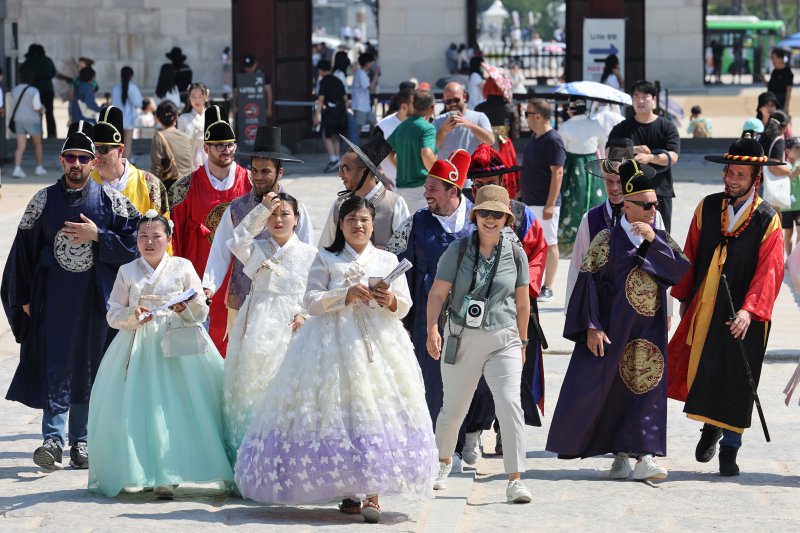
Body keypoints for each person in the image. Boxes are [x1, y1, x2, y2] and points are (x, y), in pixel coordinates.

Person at [234, 196, 438, 523]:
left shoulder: (387, 260)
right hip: (332, 345)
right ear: (340, 225)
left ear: (373, 224)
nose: (358, 225)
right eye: (351, 220)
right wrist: (345, 294)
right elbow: (311, 301)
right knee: (340, 411)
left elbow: (405, 305)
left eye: (364, 220)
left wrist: (387, 300)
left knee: (375, 409)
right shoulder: (326, 258)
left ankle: (373, 492)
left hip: (378, 346)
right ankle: (346, 488)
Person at [1, 121, 140, 471]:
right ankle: (52, 439)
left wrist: (99, 235)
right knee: (55, 363)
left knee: (88, 365)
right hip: (52, 300)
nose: (76, 163)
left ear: (94, 162)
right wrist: (24, 297)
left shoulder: (111, 201)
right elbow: (22, 252)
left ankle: (83, 440)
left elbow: (139, 242)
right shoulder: (43, 200)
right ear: (61, 162)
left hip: (94, 301)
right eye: (70, 157)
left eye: (83, 157)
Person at [546, 160, 690, 481]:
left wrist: (654, 241)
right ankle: (621, 455)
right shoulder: (606, 239)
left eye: (656, 204)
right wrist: (592, 326)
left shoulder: (658, 235)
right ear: (627, 205)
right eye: (646, 205)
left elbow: (680, 270)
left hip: (649, 331)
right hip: (614, 328)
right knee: (613, 391)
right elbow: (588, 286)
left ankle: (647, 456)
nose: (653, 209)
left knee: (648, 388)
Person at [87, 210, 233, 499]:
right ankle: (145, 470)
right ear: (136, 240)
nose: (149, 242)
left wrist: (186, 308)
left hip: (179, 345)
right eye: (143, 236)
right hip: (139, 345)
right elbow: (112, 313)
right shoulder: (127, 271)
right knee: (139, 409)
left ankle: (171, 473)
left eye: (156, 236)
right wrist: (132, 313)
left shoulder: (182, 266)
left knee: (178, 408)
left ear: (168, 239)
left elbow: (201, 308)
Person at [667, 136, 785, 477]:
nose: (732, 180)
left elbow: (770, 271)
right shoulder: (707, 206)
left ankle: (731, 446)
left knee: (738, 379)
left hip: (746, 314)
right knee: (706, 368)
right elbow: (689, 255)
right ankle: (709, 428)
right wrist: (684, 299)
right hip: (707, 306)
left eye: (740, 175)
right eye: (730, 173)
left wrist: (750, 310)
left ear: (755, 178)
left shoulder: (767, 219)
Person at [425, 184, 533, 503]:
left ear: (506, 219)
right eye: (484, 212)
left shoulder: (515, 252)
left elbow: (524, 303)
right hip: (461, 336)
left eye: (497, 214)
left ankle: (515, 479)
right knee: (454, 410)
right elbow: (436, 294)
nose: (490, 219)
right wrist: (433, 328)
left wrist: (524, 341)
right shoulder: (458, 250)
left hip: (505, 339)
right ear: (475, 216)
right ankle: (443, 462)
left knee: (510, 405)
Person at [387, 150, 480, 469]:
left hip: (471, 314)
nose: (425, 194)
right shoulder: (417, 222)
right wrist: (386, 288)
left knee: (469, 379)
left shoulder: (476, 219)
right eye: (425, 188)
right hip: (429, 313)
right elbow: (401, 265)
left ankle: (468, 436)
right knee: (433, 379)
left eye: (432, 189)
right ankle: (440, 449)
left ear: (453, 191)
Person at [222, 192, 317, 465]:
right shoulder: (258, 249)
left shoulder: (310, 255)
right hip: (256, 323)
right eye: (273, 215)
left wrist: (305, 315)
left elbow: (316, 293)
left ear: (297, 219)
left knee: (287, 391)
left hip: (293, 327)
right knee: (251, 389)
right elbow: (237, 239)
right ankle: (249, 459)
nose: (278, 220)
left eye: (285, 214)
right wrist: (262, 209)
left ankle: (286, 460)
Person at [467, 144, 547, 457]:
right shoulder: (462, 214)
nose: (485, 189)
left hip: (517, 305)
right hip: (472, 309)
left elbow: (538, 252)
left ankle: (504, 432)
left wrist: (525, 289)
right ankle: (470, 433)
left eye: (491, 182)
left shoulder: (523, 214)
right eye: (478, 183)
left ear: (503, 181)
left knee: (514, 373)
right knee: (475, 375)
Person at [202, 126, 313, 346]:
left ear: (279, 172)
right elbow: (221, 251)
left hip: (283, 301)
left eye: (265, 171)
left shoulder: (295, 208)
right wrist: (209, 285)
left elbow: (306, 253)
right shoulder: (236, 208)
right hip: (241, 296)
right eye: (254, 170)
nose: (258, 177)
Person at [170, 105, 252, 354]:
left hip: (241, 276)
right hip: (200, 277)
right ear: (206, 148)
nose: (225, 150)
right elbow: (175, 240)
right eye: (218, 145)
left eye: (229, 144)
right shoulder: (185, 188)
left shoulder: (249, 182)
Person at [564, 138, 667, 308]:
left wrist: (667, 309)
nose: (614, 187)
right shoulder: (590, 218)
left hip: (642, 306)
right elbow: (578, 265)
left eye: (620, 182)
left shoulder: (653, 216)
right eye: (609, 181)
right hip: (602, 305)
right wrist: (572, 307)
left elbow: (664, 260)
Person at [609, 80, 680, 232]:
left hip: (660, 191)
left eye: (645, 96)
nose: (640, 101)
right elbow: (610, 152)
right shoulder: (622, 128)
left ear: (653, 99)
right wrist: (632, 149)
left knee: (660, 237)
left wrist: (650, 158)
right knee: (628, 235)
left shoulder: (667, 126)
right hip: (629, 193)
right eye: (636, 96)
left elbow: (673, 157)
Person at [319, 131, 409, 249]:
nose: (340, 174)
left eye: (345, 168)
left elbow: (406, 248)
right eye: (340, 168)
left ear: (364, 170)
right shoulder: (340, 204)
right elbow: (324, 249)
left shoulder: (394, 203)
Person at [519, 98, 565, 302]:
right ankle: (532, 282)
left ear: (537, 115)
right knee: (531, 243)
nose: (525, 118)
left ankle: (548, 286)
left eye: (527, 114)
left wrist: (550, 204)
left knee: (550, 243)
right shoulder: (536, 137)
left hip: (545, 203)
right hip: (531, 201)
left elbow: (558, 173)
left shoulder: (553, 140)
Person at [90, 106, 169, 220]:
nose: (97, 154)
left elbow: (164, 232)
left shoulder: (150, 185)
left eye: (103, 149)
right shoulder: (85, 183)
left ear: (121, 150)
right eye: (94, 148)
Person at [556, 98, 608, 255]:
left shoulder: (565, 126)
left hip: (572, 165)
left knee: (572, 200)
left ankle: (571, 240)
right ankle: (596, 238)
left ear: (570, 109)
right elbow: (603, 148)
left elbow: (561, 149)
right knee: (594, 199)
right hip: (592, 162)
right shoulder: (596, 124)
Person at [387, 89, 438, 212]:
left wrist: (399, 165)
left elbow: (388, 150)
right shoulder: (427, 128)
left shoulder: (401, 126)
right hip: (420, 190)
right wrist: (438, 175)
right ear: (432, 108)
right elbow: (426, 153)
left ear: (413, 105)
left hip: (400, 190)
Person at [475, 66, 521, 200]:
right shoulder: (511, 108)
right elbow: (515, 135)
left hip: (485, 149)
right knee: (505, 180)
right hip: (504, 147)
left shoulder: (480, 108)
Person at [433, 82, 495, 160]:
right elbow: (432, 148)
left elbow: (491, 141)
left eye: (456, 100)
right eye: (448, 101)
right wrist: (443, 131)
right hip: (448, 171)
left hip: (473, 169)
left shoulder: (479, 117)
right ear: (444, 100)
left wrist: (469, 125)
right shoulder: (438, 120)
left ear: (464, 97)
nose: (453, 104)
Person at [10, 66, 47, 178]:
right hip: (32, 120)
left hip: (19, 120)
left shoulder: (15, 90)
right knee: (37, 144)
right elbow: (37, 107)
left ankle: (17, 168)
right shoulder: (33, 91)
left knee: (20, 146)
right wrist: (42, 109)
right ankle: (39, 167)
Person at [375, 86, 415, 187]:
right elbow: (370, 158)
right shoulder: (383, 126)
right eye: (415, 104)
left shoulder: (421, 124)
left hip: (417, 189)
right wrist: (382, 178)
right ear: (404, 107)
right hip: (393, 188)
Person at [150, 100, 194, 191]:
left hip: (172, 188)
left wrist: (153, 191)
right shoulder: (185, 137)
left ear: (158, 118)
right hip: (190, 185)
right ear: (176, 117)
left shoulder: (159, 137)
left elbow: (156, 168)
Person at [314, 59, 348, 173]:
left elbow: (321, 99)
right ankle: (337, 158)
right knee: (335, 136)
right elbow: (345, 98)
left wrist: (317, 114)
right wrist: (346, 112)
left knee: (326, 135)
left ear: (321, 70)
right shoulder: (338, 80)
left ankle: (333, 159)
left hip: (329, 113)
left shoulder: (323, 81)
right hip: (340, 112)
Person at [21, 44, 57, 139]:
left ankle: (37, 133)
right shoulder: (47, 60)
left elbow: (22, 73)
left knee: (36, 113)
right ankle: (52, 134)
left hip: (34, 90)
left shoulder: (29, 61)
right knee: (49, 113)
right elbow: (53, 73)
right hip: (48, 89)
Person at [111, 66, 143, 161]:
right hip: (129, 119)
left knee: (120, 144)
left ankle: (127, 160)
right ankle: (126, 163)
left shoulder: (116, 88)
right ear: (131, 76)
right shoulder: (132, 87)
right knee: (128, 143)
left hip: (117, 119)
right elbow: (139, 103)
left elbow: (113, 103)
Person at [178, 82, 210, 169]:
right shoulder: (183, 118)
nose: (197, 100)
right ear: (189, 98)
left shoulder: (213, 116)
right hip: (190, 160)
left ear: (206, 97)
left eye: (200, 96)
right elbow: (180, 145)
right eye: (193, 96)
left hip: (211, 159)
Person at [241, 53, 274, 121]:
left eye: (250, 67)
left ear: (255, 64)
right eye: (246, 67)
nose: (248, 69)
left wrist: (269, 108)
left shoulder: (262, 75)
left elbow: (269, 92)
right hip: (244, 110)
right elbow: (235, 91)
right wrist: (235, 106)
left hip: (259, 108)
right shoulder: (241, 76)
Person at [782, 136, 800, 258]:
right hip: (787, 206)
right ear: (787, 151)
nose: (799, 151)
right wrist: (796, 172)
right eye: (797, 149)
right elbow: (783, 182)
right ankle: (789, 257)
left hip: (799, 204)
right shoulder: (783, 165)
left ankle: (797, 258)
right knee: (788, 233)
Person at [351, 52, 377, 134]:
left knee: (375, 126)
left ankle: (373, 145)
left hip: (365, 106)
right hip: (360, 106)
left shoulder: (362, 74)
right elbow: (370, 87)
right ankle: (353, 146)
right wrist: (376, 73)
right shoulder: (360, 74)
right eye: (372, 63)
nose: (373, 65)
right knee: (357, 130)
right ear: (367, 63)